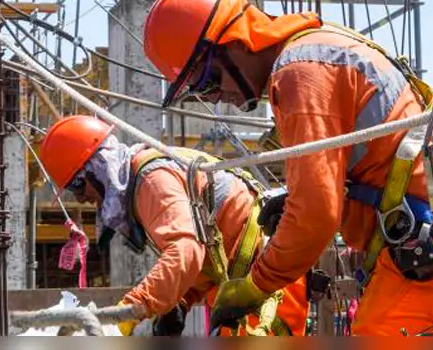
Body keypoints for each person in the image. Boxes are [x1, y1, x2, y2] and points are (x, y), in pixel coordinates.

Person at [141, 0, 433, 336]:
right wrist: (308, 201)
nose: (217, 96)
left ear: (233, 42)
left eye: (206, 81)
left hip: (422, 260)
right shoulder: (315, 51)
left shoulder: (299, 74)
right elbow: (367, 171)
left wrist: (255, 286)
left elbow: (314, 215)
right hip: (424, 253)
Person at [35, 113, 310, 336]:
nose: (82, 200)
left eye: (77, 189)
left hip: (265, 286)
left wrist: (126, 314)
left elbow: (187, 252)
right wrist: (180, 301)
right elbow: (207, 246)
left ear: (94, 172)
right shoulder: (144, 183)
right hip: (246, 284)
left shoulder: (151, 181)